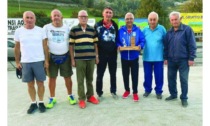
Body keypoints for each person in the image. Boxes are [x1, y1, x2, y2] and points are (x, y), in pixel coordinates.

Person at [14, 11, 48, 114]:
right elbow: (17, 48)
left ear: (35, 19)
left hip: (39, 60)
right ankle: (33, 103)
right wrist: (17, 62)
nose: (29, 20)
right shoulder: (18, 31)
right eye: (27, 18)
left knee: (40, 83)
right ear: (23, 19)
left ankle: (41, 102)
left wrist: (46, 60)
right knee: (30, 84)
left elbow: (45, 47)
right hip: (25, 62)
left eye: (31, 18)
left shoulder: (41, 31)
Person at [43, 9, 76, 109]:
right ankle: (52, 98)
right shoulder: (46, 28)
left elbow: (71, 44)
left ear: (62, 17)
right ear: (51, 17)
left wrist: (72, 57)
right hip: (51, 57)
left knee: (68, 78)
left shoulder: (67, 28)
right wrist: (46, 60)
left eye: (58, 15)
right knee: (52, 78)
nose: (56, 17)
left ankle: (70, 95)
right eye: (54, 15)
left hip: (65, 56)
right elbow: (44, 45)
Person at [164, 11, 197, 107]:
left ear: (180, 19)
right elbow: (166, 46)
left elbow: (192, 44)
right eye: (172, 20)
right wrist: (165, 58)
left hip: (184, 60)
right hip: (171, 60)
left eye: (176, 19)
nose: (174, 21)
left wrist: (191, 58)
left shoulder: (187, 30)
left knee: (183, 79)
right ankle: (173, 94)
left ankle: (184, 98)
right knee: (171, 79)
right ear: (170, 21)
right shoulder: (168, 32)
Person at [69, 10, 99, 109]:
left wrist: (96, 56)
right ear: (78, 18)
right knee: (80, 80)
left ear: (87, 18)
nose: (83, 18)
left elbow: (95, 44)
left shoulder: (92, 29)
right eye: (81, 16)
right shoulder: (74, 30)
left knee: (90, 79)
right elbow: (71, 46)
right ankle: (81, 99)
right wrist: (72, 59)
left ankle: (90, 96)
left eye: (85, 16)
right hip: (79, 59)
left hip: (91, 58)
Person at [117, 12, 145, 102]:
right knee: (125, 75)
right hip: (124, 57)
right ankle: (127, 90)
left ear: (133, 20)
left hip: (134, 57)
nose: (129, 20)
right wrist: (118, 46)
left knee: (135, 75)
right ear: (125, 20)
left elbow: (142, 40)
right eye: (127, 19)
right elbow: (117, 41)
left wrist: (140, 46)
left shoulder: (137, 30)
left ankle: (135, 92)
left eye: (131, 18)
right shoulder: (120, 30)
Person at [94, 7, 118, 100]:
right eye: (106, 12)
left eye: (110, 13)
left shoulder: (115, 25)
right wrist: (96, 55)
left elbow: (116, 39)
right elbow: (95, 41)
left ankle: (113, 91)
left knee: (113, 74)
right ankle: (99, 93)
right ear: (103, 14)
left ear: (112, 15)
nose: (108, 14)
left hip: (112, 54)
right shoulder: (97, 25)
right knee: (100, 74)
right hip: (101, 54)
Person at [142, 11, 166, 99]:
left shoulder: (162, 29)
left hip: (159, 58)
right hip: (147, 58)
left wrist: (166, 56)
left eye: (154, 19)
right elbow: (140, 41)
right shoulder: (144, 30)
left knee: (159, 76)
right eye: (151, 19)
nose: (152, 21)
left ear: (157, 20)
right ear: (148, 20)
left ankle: (159, 91)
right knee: (147, 75)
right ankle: (147, 90)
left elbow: (166, 42)